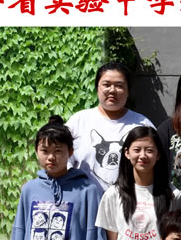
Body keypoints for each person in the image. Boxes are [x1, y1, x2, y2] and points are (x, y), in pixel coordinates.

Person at [66, 62, 155, 191]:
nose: (112, 90)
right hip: (85, 199)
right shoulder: (79, 121)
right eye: (106, 85)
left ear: (128, 91)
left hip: (130, 199)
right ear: (97, 88)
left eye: (119, 85)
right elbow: (62, 160)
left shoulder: (142, 124)